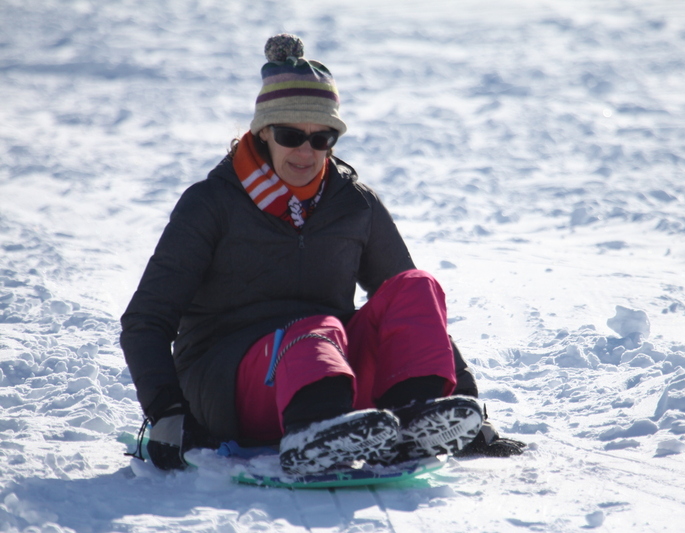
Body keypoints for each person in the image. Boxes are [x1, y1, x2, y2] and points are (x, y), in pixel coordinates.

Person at [120, 34, 524, 474]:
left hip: (331, 366)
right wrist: (166, 411)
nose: (306, 151)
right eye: (291, 135)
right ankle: (311, 431)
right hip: (231, 382)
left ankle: (418, 416)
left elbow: (415, 319)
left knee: (415, 287)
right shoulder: (211, 203)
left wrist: (465, 404)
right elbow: (147, 319)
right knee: (316, 327)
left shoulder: (353, 204)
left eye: (322, 138)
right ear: (263, 133)